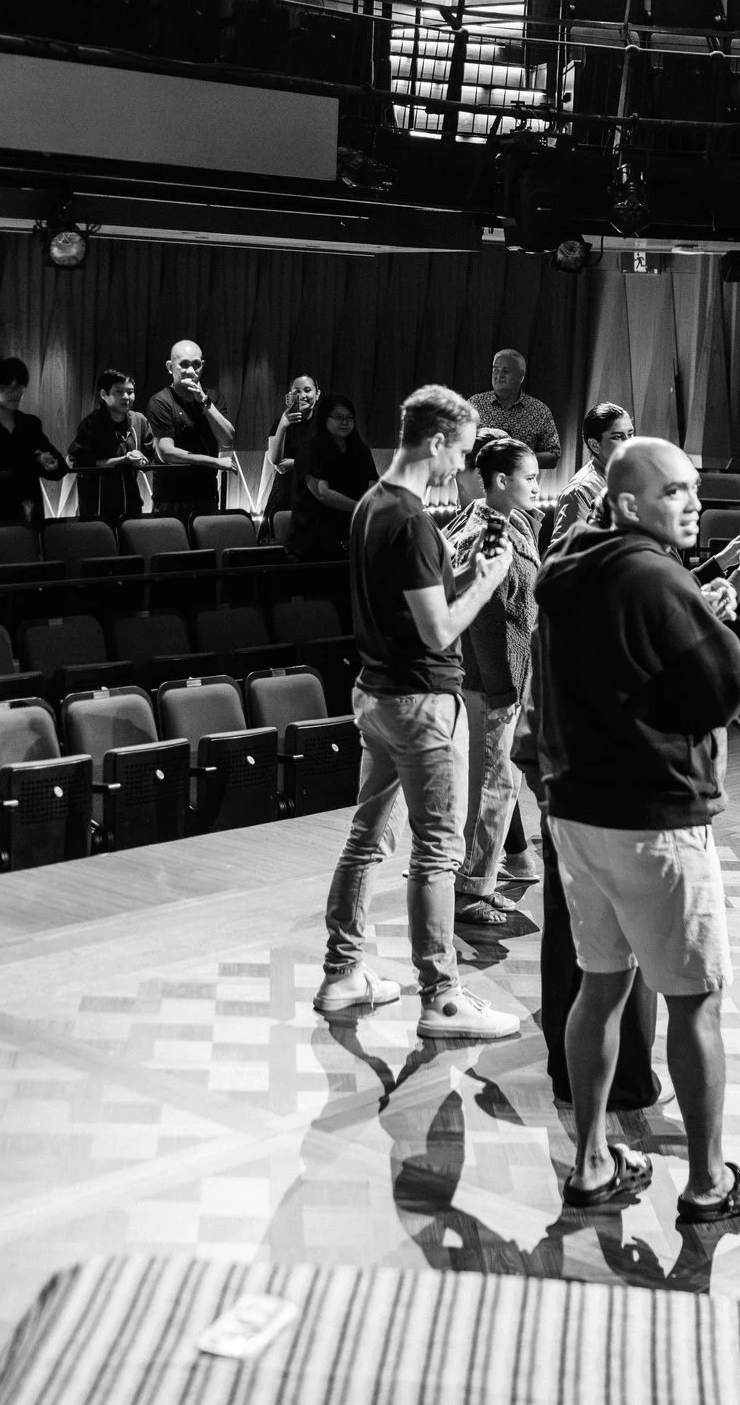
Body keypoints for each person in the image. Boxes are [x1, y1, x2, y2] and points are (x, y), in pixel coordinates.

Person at [536, 436, 740, 1222]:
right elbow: (725, 687)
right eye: (676, 491)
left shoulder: (569, 562)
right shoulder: (656, 574)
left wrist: (694, 606)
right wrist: (707, 618)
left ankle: (591, 1163)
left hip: (577, 813)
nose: (694, 503)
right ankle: (708, 1184)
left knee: (600, 985)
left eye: (695, 488)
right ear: (630, 502)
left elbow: (621, 663)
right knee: (695, 1002)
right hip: (654, 818)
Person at [314, 384, 520, 1041]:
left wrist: (459, 571)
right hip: (420, 702)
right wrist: (488, 581)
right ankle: (442, 998)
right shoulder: (410, 519)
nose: (462, 467)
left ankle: (343, 973)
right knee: (437, 851)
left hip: (376, 694)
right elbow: (437, 631)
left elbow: (413, 599)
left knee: (366, 837)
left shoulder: (372, 505)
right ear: (435, 441)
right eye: (459, 452)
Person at [447, 434, 545, 928]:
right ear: (502, 481)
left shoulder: (506, 522)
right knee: (493, 786)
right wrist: (503, 689)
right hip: (492, 681)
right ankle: (470, 890)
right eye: (530, 477)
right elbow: (486, 618)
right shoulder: (487, 533)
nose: (537, 485)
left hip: (505, 677)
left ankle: (479, 881)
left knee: (498, 785)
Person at [0, 357, 65, 528]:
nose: (15, 392)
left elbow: (57, 464)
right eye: (6, 387)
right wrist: (36, 459)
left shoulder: (29, 424)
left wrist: (51, 464)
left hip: (25, 509)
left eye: (19, 387)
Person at [146, 340, 239, 520]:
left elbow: (227, 439)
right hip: (171, 499)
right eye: (184, 364)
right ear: (170, 367)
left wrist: (203, 400)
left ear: (202, 365)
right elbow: (167, 453)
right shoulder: (161, 401)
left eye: (196, 364)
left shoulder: (213, 398)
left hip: (207, 494)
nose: (191, 370)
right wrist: (214, 462)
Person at [291, 392, 377, 563]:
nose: (345, 422)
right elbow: (322, 493)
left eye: (349, 418)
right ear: (325, 419)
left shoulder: (361, 450)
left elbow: (373, 483)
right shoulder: (310, 449)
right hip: (316, 536)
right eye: (338, 417)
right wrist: (360, 508)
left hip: (355, 531)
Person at [65, 369, 155, 526]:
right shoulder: (92, 423)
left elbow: (150, 457)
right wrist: (122, 460)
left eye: (130, 392)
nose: (126, 397)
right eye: (119, 392)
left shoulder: (139, 420)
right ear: (103, 395)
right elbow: (75, 462)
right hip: (97, 509)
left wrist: (141, 460)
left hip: (131, 505)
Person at [548, 402, 632, 553]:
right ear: (594, 445)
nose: (629, 443)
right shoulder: (580, 491)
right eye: (618, 437)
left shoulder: (634, 476)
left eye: (630, 434)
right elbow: (564, 555)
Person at [470, 348, 563, 467]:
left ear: (521, 377)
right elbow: (456, 442)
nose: (499, 376)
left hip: (521, 477)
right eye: (495, 370)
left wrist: (516, 459)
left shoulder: (539, 410)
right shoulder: (475, 404)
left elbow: (553, 456)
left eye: (505, 371)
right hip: (479, 477)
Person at [262, 375, 320, 537]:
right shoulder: (280, 422)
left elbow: (328, 461)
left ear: (317, 394)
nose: (302, 395)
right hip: (285, 492)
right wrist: (283, 424)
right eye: (297, 391)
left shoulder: (324, 425)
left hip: (315, 493)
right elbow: (275, 460)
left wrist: (295, 464)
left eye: (307, 390)